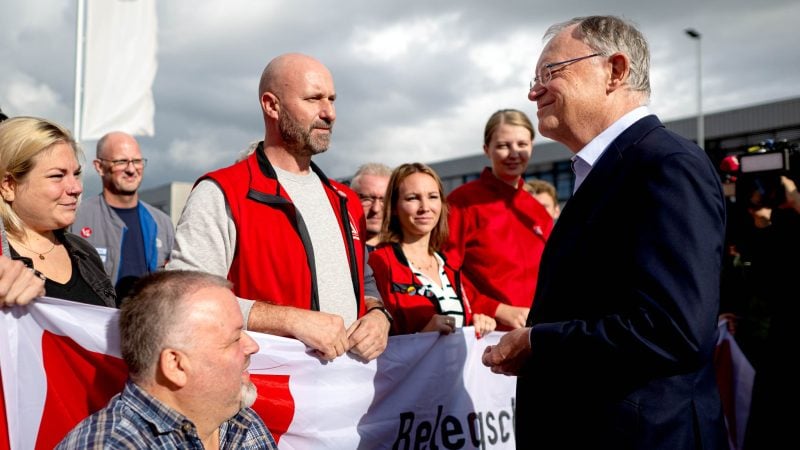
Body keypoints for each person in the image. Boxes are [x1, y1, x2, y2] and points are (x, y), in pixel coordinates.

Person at [481, 16, 728, 450]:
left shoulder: (666, 166)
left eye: (550, 73)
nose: (533, 91)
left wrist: (539, 341)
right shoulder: (605, 172)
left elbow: (673, 329)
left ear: (614, 70)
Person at [168, 53, 390, 362]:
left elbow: (365, 280)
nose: (330, 113)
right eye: (314, 99)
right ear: (271, 105)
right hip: (263, 396)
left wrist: (379, 315)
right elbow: (186, 297)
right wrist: (291, 320)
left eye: (332, 99)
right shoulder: (223, 193)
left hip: (347, 396)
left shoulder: (346, 200)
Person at [56, 270, 277, 449]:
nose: (252, 347)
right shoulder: (115, 445)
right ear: (176, 365)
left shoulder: (240, 421)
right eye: (235, 338)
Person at [442, 109, 553, 331]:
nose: (514, 153)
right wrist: (496, 309)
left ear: (532, 146)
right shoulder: (463, 202)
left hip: (537, 334)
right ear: (487, 150)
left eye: (522, 144)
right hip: (487, 335)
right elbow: (443, 271)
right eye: (503, 145)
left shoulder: (537, 211)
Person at [368, 163, 496, 337]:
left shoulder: (449, 266)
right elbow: (376, 333)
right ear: (394, 207)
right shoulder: (379, 262)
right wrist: (424, 333)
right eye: (413, 198)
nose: (425, 207)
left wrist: (478, 321)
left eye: (433, 197)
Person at [0, 116, 115, 307]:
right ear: (9, 186)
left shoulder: (85, 253)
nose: (75, 188)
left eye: (76, 174)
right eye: (57, 176)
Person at [72, 131, 174, 301]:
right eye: (121, 161)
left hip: (146, 323)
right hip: (96, 323)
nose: (131, 169)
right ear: (99, 166)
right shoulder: (77, 217)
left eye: (136, 161)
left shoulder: (161, 223)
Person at [349, 162, 392, 251]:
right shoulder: (338, 247)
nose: (376, 209)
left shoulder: (407, 252)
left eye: (384, 200)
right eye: (367, 199)